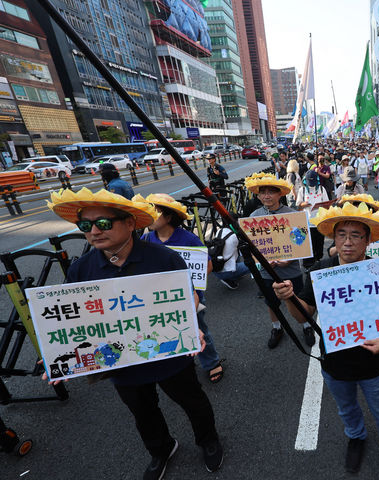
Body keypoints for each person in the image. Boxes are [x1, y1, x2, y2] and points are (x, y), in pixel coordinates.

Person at [46, 187, 223, 477]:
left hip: (170, 353)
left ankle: (209, 440)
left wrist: (191, 327)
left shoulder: (164, 258)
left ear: (130, 223)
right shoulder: (81, 269)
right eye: (85, 225)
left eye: (103, 223)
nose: (94, 231)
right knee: (142, 412)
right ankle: (161, 449)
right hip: (122, 362)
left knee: (193, 401)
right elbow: (74, 322)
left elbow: (187, 297)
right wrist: (60, 357)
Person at [272, 203, 379, 479]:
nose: (348, 243)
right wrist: (289, 297)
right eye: (341, 235)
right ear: (333, 239)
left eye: (356, 236)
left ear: (368, 240)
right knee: (346, 407)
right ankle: (356, 437)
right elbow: (304, 315)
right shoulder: (321, 269)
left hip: (373, 359)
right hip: (334, 359)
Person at [138, 193, 225, 384]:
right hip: (158, 299)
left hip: (190, 296)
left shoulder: (188, 239)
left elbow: (206, 266)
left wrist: (189, 283)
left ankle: (211, 362)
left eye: (156, 213)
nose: (150, 217)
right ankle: (178, 362)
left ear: (169, 217)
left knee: (198, 328)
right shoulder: (145, 239)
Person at [244, 173, 315, 349]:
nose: (266, 196)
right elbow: (253, 246)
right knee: (271, 301)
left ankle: (306, 325)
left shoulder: (292, 215)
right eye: (263, 192)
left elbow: (301, 242)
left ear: (280, 194)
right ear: (258, 195)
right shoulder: (254, 216)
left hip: (291, 270)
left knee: (298, 299)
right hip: (266, 271)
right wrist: (264, 261)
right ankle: (277, 327)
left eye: (271, 192)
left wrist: (290, 259)